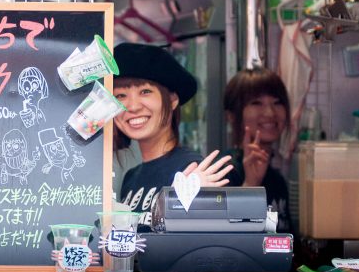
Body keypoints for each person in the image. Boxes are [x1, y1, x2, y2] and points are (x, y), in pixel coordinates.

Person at [113, 42, 233, 227]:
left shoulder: (193, 171)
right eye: (120, 95)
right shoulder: (131, 178)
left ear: (172, 99)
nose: (133, 106)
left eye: (145, 91)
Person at [223, 68, 291, 232]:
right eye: (256, 103)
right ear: (231, 115)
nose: (270, 112)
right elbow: (221, 245)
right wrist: (250, 183)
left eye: (277, 102)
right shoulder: (223, 172)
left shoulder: (277, 180)